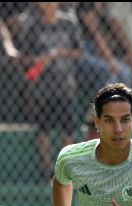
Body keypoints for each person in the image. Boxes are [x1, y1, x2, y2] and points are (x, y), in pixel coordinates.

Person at [16, 2, 83, 180]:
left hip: (65, 84)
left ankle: (64, 169)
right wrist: (38, 59)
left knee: (68, 128)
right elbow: (24, 57)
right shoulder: (34, 26)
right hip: (43, 87)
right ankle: (48, 171)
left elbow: (79, 52)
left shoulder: (68, 23)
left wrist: (60, 52)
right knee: (43, 128)